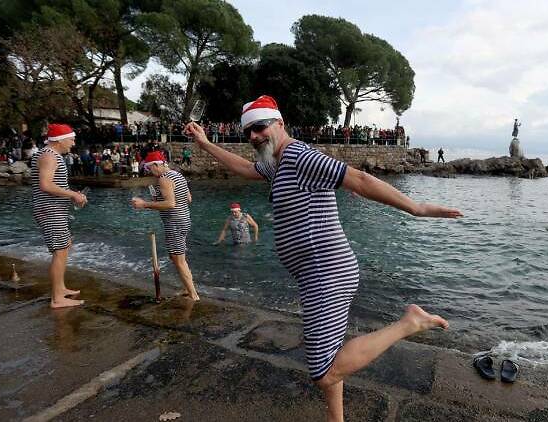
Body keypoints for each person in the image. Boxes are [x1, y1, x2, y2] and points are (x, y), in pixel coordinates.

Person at [184, 95, 461, 422]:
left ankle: (409, 323)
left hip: (327, 270)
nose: (254, 136)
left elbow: (358, 179)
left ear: (279, 124)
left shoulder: (300, 155)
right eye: (248, 132)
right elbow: (244, 168)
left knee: (323, 371)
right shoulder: (275, 162)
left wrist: (416, 208)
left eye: (260, 127)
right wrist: (204, 144)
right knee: (330, 356)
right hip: (313, 271)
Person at [31, 124, 88, 308]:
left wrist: (72, 195)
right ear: (59, 140)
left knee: (65, 246)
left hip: (53, 208)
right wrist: (72, 194)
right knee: (60, 251)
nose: (73, 143)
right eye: (71, 139)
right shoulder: (49, 156)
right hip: (50, 209)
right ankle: (57, 298)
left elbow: (52, 185)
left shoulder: (48, 154)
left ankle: (61, 288)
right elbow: (45, 185)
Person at [130, 151, 200, 301]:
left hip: (174, 222)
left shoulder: (164, 179)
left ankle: (193, 295)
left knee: (177, 258)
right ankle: (186, 288)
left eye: (150, 169)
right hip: (184, 219)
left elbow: (170, 203)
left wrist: (144, 204)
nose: (150, 172)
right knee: (177, 257)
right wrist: (159, 198)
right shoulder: (177, 174)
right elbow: (188, 198)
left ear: (156, 165)